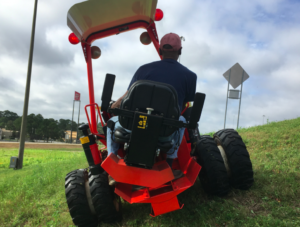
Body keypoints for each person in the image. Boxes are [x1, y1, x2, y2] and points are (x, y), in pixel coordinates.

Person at [106, 33, 197, 183]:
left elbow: (127, 95)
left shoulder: (143, 70)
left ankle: (112, 168)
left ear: (160, 50)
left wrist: (114, 105)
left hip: (133, 127)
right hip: (166, 132)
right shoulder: (190, 76)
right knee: (180, 120)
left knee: (111, 124)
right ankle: (168, 165)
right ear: (180, 52)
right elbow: (185, 105)